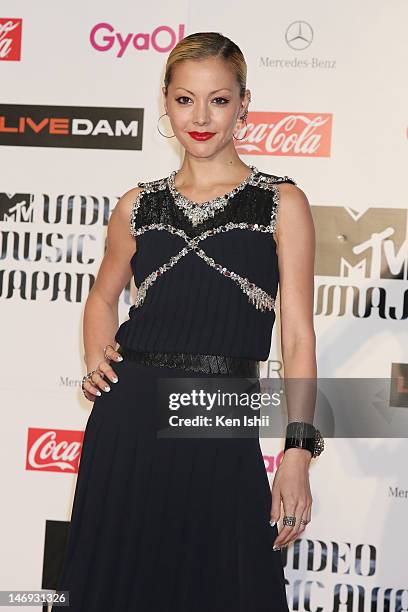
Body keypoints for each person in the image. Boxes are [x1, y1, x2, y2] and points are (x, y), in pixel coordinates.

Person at [53, 31, 323, 612]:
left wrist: (297, 451)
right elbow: (102, 297)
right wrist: (98, 355)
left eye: (219, 100)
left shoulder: (281, 202)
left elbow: (297, 335)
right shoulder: (138, 204)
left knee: (229, 584)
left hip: (219, 415)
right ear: (166, 103)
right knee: (115, 587)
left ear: (244, 103)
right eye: (184, 99)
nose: (200, 117)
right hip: (127, 418)